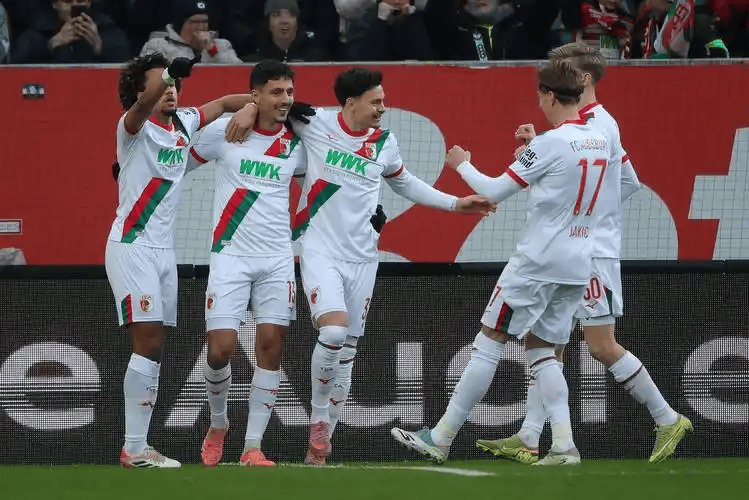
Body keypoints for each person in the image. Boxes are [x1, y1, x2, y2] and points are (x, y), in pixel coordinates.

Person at [476, 43, 692, 465]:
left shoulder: (600, 124)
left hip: (592, 253)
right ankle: (530, 436)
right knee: (546, 345)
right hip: (582, 249)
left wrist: (587, 218)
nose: (555, 74)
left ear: (584, 79)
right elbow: (624, 178)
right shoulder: (592, 124)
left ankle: (666, 417)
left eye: (565, 68)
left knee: (600, 345)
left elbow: (625, 182)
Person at [392, 60, 610, 466]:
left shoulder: (550, 143)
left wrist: (461, 163)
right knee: (543, 349)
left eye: (540, 95)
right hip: (579, 261)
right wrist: (534, 148)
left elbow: (492, 190)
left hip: (537, 263)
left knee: (489, 341)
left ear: (548, 95)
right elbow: (561, 175)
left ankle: (441, 437)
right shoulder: (597, 139)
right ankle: (564, 445)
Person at [289, 68, 495, 465]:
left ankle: (321, 446)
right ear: (351, 103)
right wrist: (243, 110)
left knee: (348, 348)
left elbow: (405, 183)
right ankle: (318, 419)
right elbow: (268, 105)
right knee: (333, 331)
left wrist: (456, 203)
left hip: (364, 257)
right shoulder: (313, 123)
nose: (383, 108)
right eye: (376, 101)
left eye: (383, 101)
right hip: (320, 249)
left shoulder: (385, 142)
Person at [107, 52, 256, 468]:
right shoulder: (132, 128)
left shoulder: (186, 123)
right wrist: (169, 71)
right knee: (147, 339)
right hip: (132, 245)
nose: (170, 90)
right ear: (140, 92)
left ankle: (139, 447)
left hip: (164, 253)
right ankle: (133, 448)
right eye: (161, 85)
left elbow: (223, 103)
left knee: (155, 346)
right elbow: (144, 103)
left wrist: (252, 104)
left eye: (174, 85)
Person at [186, 60, 307, 467]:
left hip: (277, 260)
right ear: (255, 95)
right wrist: (239, 107)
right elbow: (175, 164)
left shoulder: (299, 141)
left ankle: (252, 446)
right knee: (221, 350)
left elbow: (318, 181)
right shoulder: (226, 132)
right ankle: (218, 421)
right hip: (230, 257)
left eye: (289, 92)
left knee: (271, 347)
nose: (285, 99)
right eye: (276, 92)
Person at [11, 0, 129, 63]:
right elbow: (15, 66)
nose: (74, 5)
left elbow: (126, 66)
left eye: (80, 1)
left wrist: (100, 47)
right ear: (55, 4)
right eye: (67, 1)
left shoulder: (107, 28)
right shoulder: (37, 32)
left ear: (88, 2)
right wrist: (51, 45)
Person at [140, 0, 241, 63]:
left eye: (204, 22)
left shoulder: (222, 45)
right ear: (181, 25)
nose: (201, 27)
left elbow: (238, 72)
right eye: (195, 22)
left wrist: (212, 51)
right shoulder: (158, 46)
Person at [247, 0, 330, 62]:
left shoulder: (316, 57)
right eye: (276, 15)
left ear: (297, 22)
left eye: (291, 15)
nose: (284, 21)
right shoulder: (254, 61)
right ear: (267, 22)